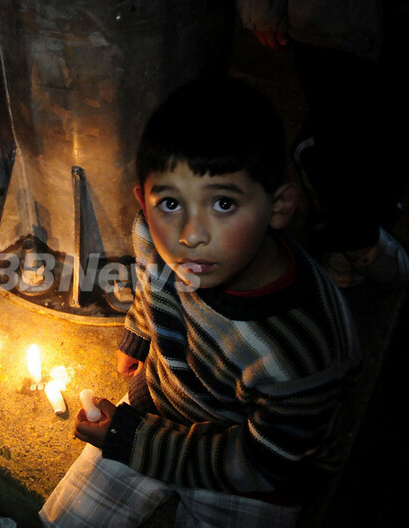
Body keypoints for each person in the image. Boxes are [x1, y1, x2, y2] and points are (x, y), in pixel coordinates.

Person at [39, 77, 361, 527]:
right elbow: (154, 287)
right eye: (169, 202)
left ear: (280, 205)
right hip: (163, 407)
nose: (190, 234)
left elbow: (263, 461)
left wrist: (134, 441)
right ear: (144, 201)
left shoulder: (304, 352)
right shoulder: (155, 236)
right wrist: (137, 336)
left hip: (257, 469)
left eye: (224, 204)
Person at [237, 0, 409, 289]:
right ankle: (352, 239)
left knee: (383, 124)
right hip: (326, 18)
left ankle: (360, 228)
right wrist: (261, 10)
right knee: (338, 129)